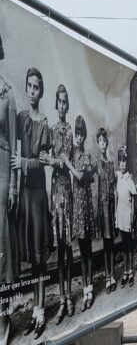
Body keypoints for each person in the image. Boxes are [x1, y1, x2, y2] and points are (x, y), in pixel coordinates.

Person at [11, 67, 53, 339]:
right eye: (30, 86)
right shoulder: (20, 116)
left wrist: (25, 162)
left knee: (40, 259)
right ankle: (36, 309)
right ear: (26, 88)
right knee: (30, 260)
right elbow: (13, 154)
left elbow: (44, 161)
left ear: (42, 91)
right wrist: (14, 187)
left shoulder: (44, 122)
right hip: (24, 194)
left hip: (38, 194)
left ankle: (40, 311)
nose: (33, 91)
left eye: (37, 87)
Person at [40, 84, 75, 324]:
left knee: (68, 246)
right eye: (59, 102)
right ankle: (61, 299)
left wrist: (62, 162)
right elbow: (45, 158)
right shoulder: (51, 130)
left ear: (67, 105)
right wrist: (55, 161)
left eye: (65, 102)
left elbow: (70, 162)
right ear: (55, 104)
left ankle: (69, 296)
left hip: (68, 190)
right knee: (59, 247)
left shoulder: (71, 131)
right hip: (55, 193)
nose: (61, 106)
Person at [63, 115, 95, 312]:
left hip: (86, 209)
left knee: (88, 250)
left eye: (82, 134)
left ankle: (90, 290)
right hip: (77, 208)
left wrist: (68, 163)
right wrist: (65, 159)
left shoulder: (86, 156)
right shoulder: (73, 152)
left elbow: (80, 177)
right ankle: (85, 289)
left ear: (85, 135)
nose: (79, 137)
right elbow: (62, 155)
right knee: (82, 252)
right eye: (77, 133)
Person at [0, 35, 18, 344]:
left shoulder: (7, 95)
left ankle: (2, 317)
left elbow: (15, 143)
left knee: (0, 241)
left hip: (3, 168)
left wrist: (13, 185)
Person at [94, 128, 117, 294]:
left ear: (106, 143)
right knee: (105, 243)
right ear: (97, 143)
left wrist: (115, 209)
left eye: (104, 141)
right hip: (101, 207)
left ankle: (113, 275)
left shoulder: (111, 164)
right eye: (100, 141)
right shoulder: (95, 162)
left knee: (111, 243)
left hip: (110, 205)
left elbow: (114, 188)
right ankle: (107, 276)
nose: (102, 144)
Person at [115, 146, 137, 288]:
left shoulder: (129, 179)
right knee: (123, 246)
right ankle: (125, 272)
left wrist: (133, 215)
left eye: (124, 162)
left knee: (129, 246)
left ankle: (130, 271)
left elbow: (134, 199)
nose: (122, 164)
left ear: (126, 163)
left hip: (128, 215)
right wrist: (115, 216)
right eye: (120, 162)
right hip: (120, 215)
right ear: (118, 163)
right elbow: (116, 196)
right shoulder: (117, 176)